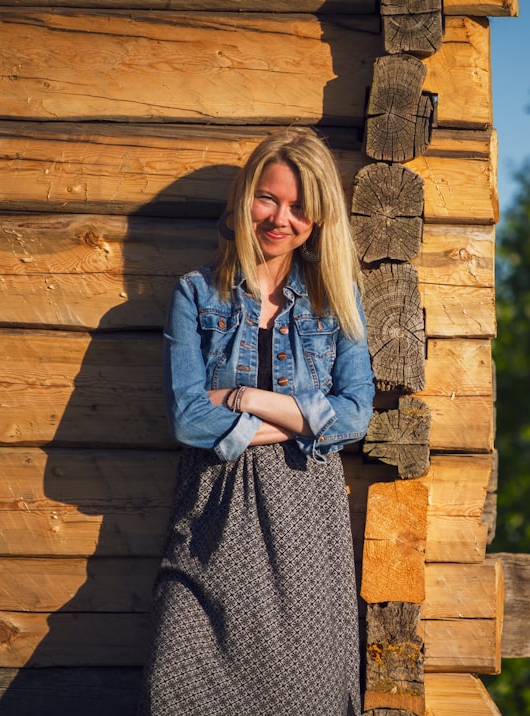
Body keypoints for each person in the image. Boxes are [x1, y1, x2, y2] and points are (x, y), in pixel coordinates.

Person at [139, 127, 374, 715]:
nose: (280, 218)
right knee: (177, 689)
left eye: (298, 207)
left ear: (317, 219)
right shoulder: (196, 294)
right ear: (245, 198)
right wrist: (304, 422)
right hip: (210, 514)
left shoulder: (335, 298)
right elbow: (190, 422)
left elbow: (356, 415)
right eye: (269, 198)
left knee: (307, 694)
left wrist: (246, 398)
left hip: (304, 519)